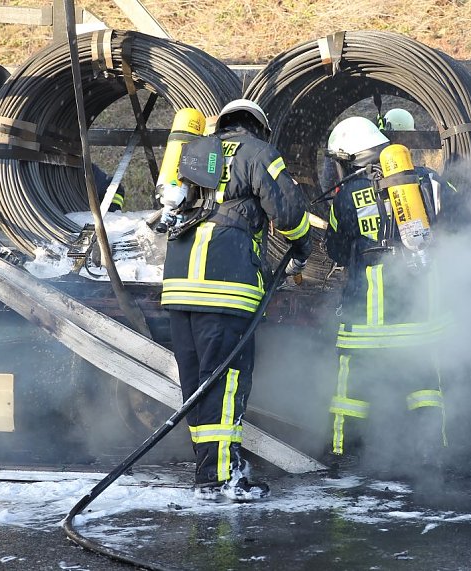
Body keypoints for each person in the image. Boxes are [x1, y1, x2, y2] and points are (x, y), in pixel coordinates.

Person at [161, 99, 312, 501]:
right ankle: (222, 478)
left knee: (195, 384)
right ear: (257, 127)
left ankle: (208, 470)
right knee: (225, 383)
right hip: (225, 285)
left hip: (178, 286)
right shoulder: (258, 152)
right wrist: (302, 245)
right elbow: (288, 211)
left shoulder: (193, 152)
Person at [323, 116, 454, 475]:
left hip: (366, 315)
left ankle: (344, 454)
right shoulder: (428, 181)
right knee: (425, 384)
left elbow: (335, 248)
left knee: (350, 390)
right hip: (419, 312)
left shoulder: (349, 194)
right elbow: (459, 221)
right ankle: (430, 452)